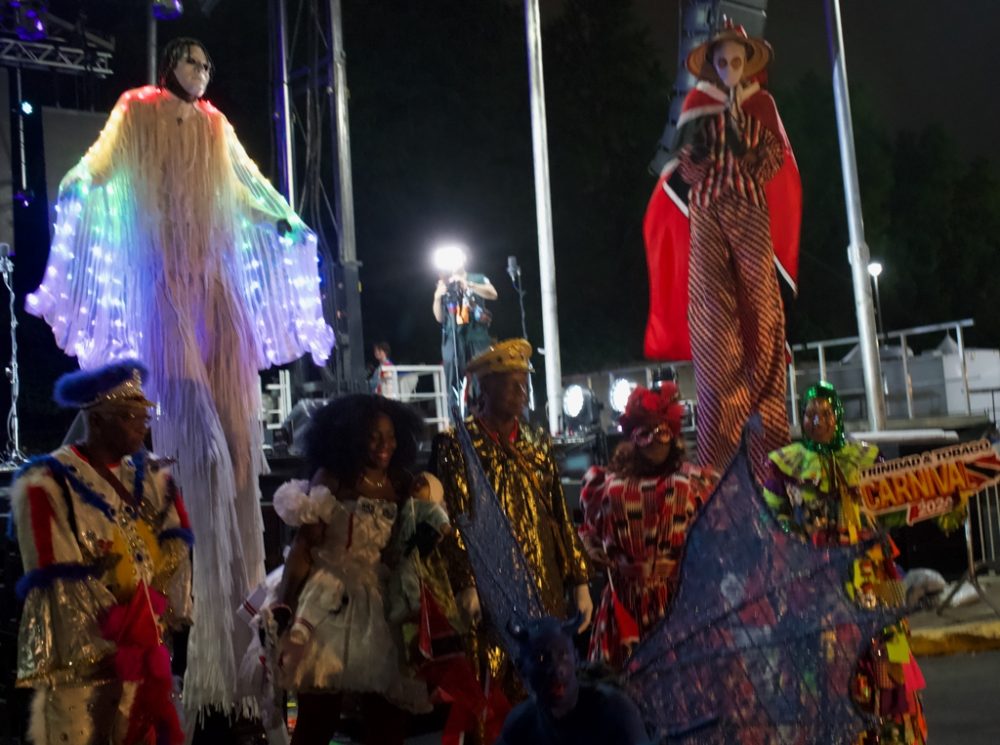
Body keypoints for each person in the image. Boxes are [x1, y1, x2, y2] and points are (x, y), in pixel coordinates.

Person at [24, 38, 334, 715]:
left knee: (241, 454)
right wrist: (78, 183)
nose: (201, 70)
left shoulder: (217, 125)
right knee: (199, 446)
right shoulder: (135, 110)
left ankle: (248, 656)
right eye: (191, 60)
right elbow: (98, 164)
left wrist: (284, 220)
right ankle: (204, 659)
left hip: (216, 288)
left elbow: (251, 185)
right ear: (169, 65)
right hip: (164, 284)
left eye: (208, 63)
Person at [641, 19, 801, 483]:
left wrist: (744, 156)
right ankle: (719, 469)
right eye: (722, 61)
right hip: (710, 217)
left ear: (745, 62)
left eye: (736, 61)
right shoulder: (697, 104)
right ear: (711, 65)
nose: (729, 68)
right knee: (714, 329)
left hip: (750, 216)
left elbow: (777, 164)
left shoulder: (762, 105)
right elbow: (685, 169)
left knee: (764, 323)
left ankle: (770, 461)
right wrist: (715, 157)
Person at [10, 361, 193, 745]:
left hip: (146, 657)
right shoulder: (46, 482)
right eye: (129, 416)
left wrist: (154, 615)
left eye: (144, 414)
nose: (142, 425)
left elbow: (175, 546)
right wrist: (120, 629)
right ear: (97, 421)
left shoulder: (153, 479)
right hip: (85, 663)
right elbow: (56, 577)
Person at [433, 339, 593, 735]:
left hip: (544, 586)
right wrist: (466, 584)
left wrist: (580, 581)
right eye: (511, 385)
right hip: (491, 593)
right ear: (484, 389)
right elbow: (452, 520)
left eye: (524, 385)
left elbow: (559, 515)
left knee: (547, 684)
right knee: (493, 691)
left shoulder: (537, 445)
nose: (521, 394)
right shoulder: (459, 445)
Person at [763, 382, 927, 744]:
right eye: (809, 414)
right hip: (812, 579)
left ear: (838, 416)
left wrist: (942, 503)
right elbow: (769, 515)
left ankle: (890, 735)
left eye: (824, 413)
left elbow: (894, 511)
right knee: (818, 661)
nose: (816, 420)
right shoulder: (784, 465)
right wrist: (797, 535)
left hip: (873, 573)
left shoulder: (868, 459)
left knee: (888, 648)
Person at [264, 395, 432, 745]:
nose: (385, 445)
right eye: (374, 436)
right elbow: (304, 547)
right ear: (353, 437)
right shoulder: (333, 479)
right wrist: (285, 603)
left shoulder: (401, 484)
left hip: (379, 603)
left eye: (390, 436)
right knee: (318, 717)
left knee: (387, 717)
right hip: (328, 599)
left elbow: (410, 545)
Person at [578, 383, 718, 669]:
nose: (655, 440)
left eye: (662, 431)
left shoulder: (692, 484)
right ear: (632, 437)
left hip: (677, 601)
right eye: (645, 433)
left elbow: (713, 537)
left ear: (673, 435)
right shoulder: (607, 486)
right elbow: (587, 533)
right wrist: (591, 551)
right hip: (624, 604)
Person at [432, 268, 497, 407]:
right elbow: (439, 317)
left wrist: (468, 284)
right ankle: (456, 423)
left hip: (476, 335)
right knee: (453, 385)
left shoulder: (478, 277)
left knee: (483, 381)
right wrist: (437, 297)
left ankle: (484, 421)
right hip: (453, 336)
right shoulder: (444, 281)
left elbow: (493, 293)